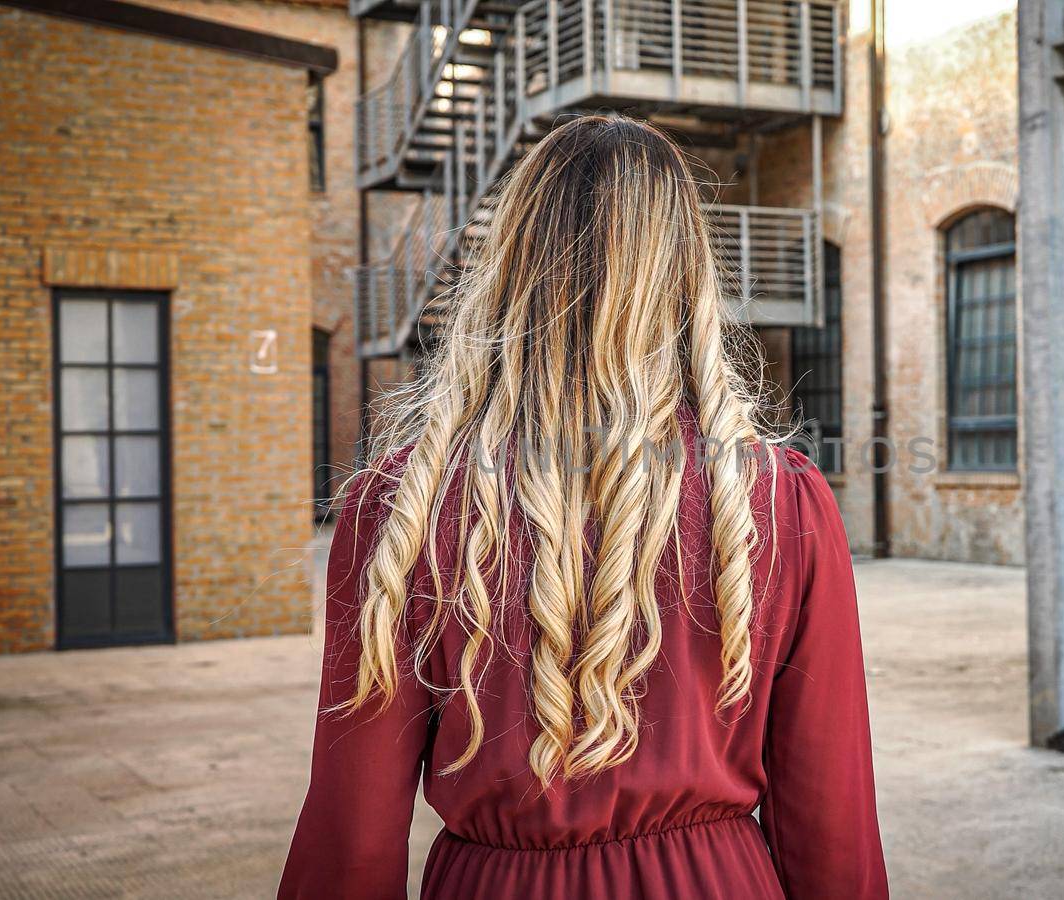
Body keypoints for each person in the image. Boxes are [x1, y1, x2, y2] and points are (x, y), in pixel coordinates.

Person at [279, 114, 887, 899]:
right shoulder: (780, 502)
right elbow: (831, 819)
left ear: (509, 270)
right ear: (684, 277)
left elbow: (350, 839)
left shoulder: (402, 510)